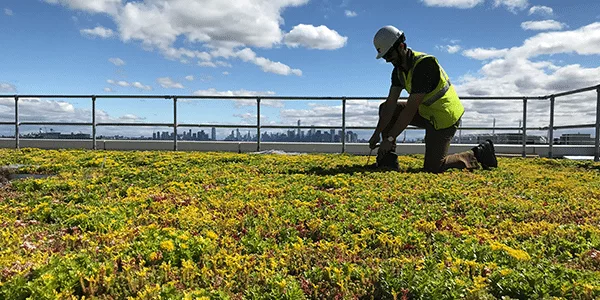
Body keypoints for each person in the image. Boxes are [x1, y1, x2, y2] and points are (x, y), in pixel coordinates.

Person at [368, 25, 497, 173]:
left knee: (434, 167)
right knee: (385, 108)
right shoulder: (398, 71)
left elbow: (410, 110)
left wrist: (389, 139)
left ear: (401, 46)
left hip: (444, 117)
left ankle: (479, 153)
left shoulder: (425, 65)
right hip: (426, 112)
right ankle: (387, 161)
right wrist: (377, 133)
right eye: (385, 57)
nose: (388, 60)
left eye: (389, 55)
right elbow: (390, 105)